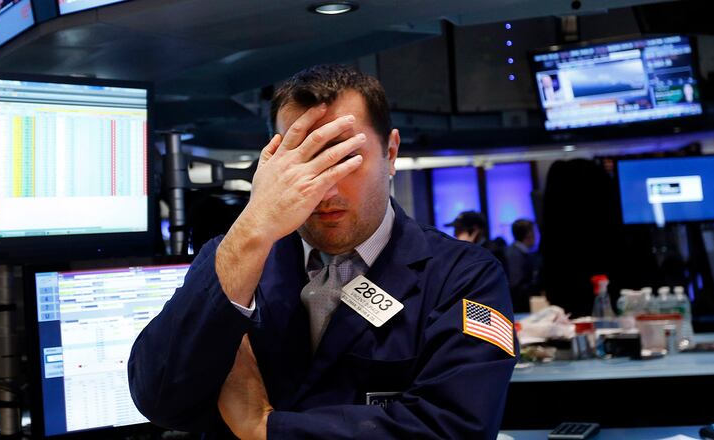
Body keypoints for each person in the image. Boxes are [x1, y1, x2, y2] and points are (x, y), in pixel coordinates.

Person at [128, 64, 517, 439]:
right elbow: (160, 399)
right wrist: (251, 228)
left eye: (345, 159)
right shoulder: (235, 257)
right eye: (305, 162)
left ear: (391, 152)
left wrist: (266, 429)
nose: (325, 190)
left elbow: (456, 427)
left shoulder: (463, 275)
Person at [504, 219, 541, 313]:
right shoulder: (514, 255)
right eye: (534, 232)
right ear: (529, 234)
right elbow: (516, 286)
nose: (537, 236)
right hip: (520, 310)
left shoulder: (522, 252)